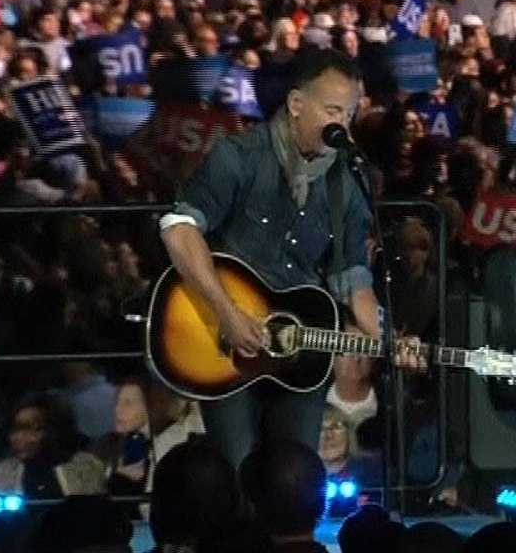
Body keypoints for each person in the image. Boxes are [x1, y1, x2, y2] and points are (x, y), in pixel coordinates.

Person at [159, 47, 424, 470]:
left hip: (302, 347)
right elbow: (178, 228)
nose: (342, 124)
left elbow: (352, 279)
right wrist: (226, 312)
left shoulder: (345, 181)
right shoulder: (240, 156)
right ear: (297, 104)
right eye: (332, 110)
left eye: (349, 113)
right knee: (240, 468)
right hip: (227, 343)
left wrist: (390, 336)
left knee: (298, 472)